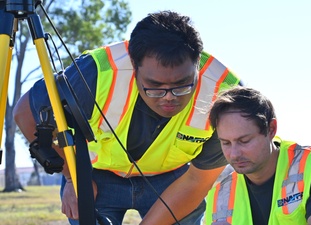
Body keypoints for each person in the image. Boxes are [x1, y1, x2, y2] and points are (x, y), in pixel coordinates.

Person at [13, 10, 242, 225]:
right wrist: (73, 177)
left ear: (196, 65)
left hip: (175, 181)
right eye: (154, 87)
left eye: (182, 86)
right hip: (96, 174)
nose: (169, 98)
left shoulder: (226, 94)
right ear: (134, 65)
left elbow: (197, 181)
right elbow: (25, 113)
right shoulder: (95, 73)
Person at [204, 86, 311, 225]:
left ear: (271, 129)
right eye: (225, 143)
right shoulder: (220, 196)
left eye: (244, 141)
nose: (234, 153)